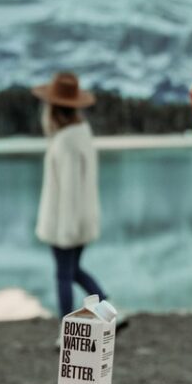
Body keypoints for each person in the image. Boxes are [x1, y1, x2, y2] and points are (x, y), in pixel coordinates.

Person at [32, 70, 116, 327]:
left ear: (53, 108)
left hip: (65, 224)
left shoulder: (67, 142)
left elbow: (69, 190)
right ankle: (109, 312)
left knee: (63, 276)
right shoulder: (81, 135)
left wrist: (66, 232)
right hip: (82, 219)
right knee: (73, 271)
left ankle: (65, 329)